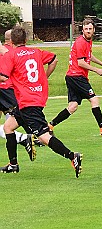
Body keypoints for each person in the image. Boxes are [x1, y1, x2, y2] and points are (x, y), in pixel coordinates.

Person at [0, 26, 82, 177]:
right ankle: (13, 164)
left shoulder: (11, 55)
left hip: (28, 101)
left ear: (11, 41)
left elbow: (3, 77)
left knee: (44, 137)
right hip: (34, 98)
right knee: (8, 127)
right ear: (26, 40)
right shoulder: (36, 52)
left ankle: (72, 156)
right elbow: (54, 59)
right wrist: (44, 76)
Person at [48, 18, 102, 136]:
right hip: (77, 77)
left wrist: (101, 63)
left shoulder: (87, 41)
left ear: (94, 30)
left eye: (90, 29)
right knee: (94, 99)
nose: (88, 31)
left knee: (73, 106)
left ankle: (50, 126)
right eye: (86, 29)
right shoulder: (81, 42)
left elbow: (89, 56)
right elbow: (81, 62)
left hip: (72, 77)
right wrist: (96, 70)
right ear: (82, 30)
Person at [0, 30, 37, 159]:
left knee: (19, 115)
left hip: (5, 88)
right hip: (9, 88)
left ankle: (29, 137)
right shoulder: (11, 50)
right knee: (14, 117)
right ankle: (31, 136)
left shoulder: (9, 52)